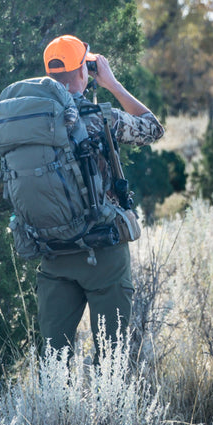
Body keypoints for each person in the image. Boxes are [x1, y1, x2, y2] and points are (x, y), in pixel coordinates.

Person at [36, 34, 164, 359]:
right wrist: (112, 84)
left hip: (53, 250)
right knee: (111, 357)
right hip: (103, 249)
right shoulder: (102, 117)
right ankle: (105, 395)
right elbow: (153, 127)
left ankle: (55, 395)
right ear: (84, 71)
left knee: (54, 360)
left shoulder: (32, 122)